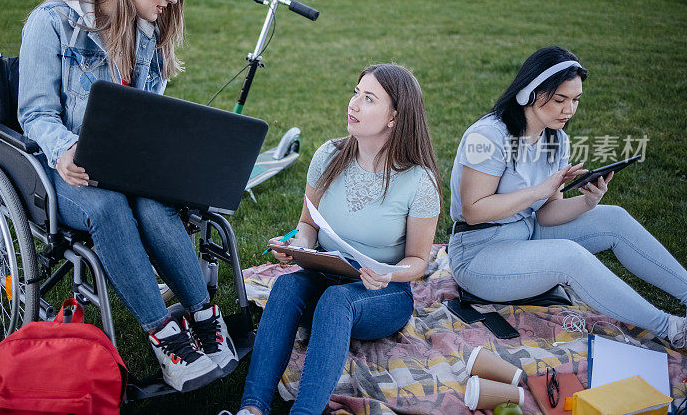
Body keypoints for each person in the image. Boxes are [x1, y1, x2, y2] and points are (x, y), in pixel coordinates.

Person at [17, 0, 237, 393]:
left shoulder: (146, 34)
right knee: (110, 207)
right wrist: (65, 149)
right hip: (65, 169)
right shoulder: (51, 22)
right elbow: (35, 114)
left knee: (154, 204)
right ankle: (166, 337)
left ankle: (203, 317)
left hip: (126, 167)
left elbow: (147, 116)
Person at [234, 63, 443, 415]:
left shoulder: (419, 182)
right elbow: (307, 224)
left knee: (336, 300)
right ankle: (251, 408)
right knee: (285, 288)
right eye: (355, 92)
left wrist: (389, 273)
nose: (354, 104)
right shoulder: (329, 155)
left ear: (394, 117)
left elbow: (419, 261)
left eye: (369, 98)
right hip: (325, 273)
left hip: (383, 292)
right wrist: (296, 245)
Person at [448, 46, 687, 348]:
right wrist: (539, 190)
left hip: (526, 233)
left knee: (613, 218)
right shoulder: (488, 137)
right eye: (560, 100)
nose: (569, 110)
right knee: (568, 256)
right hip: (477, 254)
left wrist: (588, 201)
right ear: (530, 93)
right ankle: (672, 328)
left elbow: (547, 213)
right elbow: (474, 210)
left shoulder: (555, 139)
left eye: (575, 100)